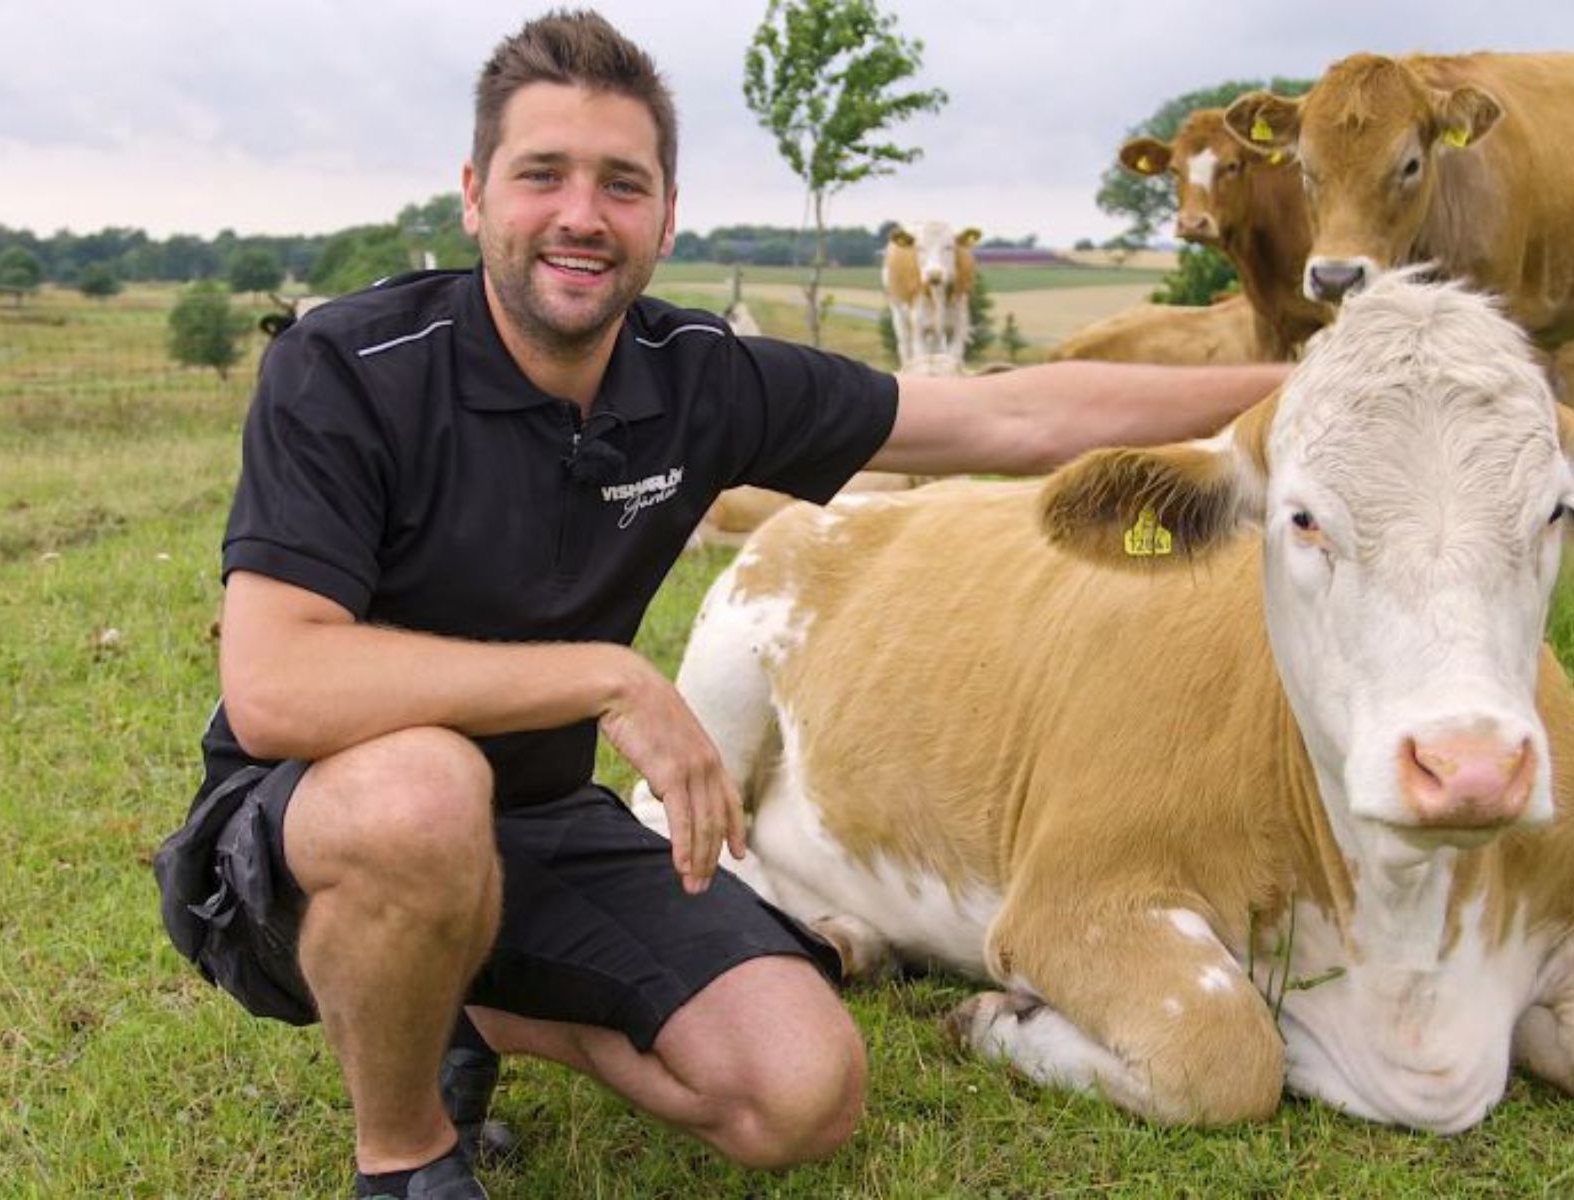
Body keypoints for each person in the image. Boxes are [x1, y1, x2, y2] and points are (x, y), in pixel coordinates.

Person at [154, 10, 1288, 1199]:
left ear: (665, 214)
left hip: (536, 825)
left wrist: (1305, 386)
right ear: (476, 194)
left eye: (622, 183)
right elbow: (277, 685)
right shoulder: (347, 370)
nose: (582, 215)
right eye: (543, 175)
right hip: (306, 840)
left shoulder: (693, 379)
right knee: (425, 792)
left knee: (802, 1090)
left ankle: (460, 997)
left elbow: (1007, 419)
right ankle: (407, 1155)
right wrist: (601, 678)